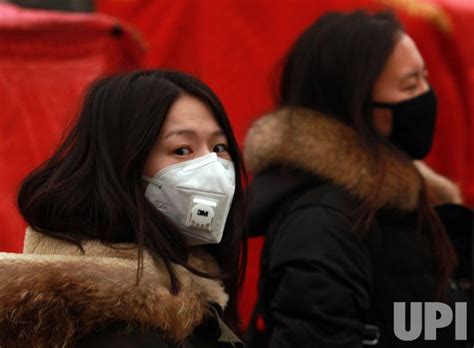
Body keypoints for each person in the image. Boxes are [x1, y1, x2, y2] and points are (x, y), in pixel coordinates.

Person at [244, 11, 472, 347]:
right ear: (356, 103)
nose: (427, 95)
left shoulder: (408, 199)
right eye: (410, 85)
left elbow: (433, 321)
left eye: (425, 78)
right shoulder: (321, 223)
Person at [0, 70, 247, 347]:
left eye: (219, 147)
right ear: (121, 164)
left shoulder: (191, 288)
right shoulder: (119, 331)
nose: (213, 168)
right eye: (181, 150)